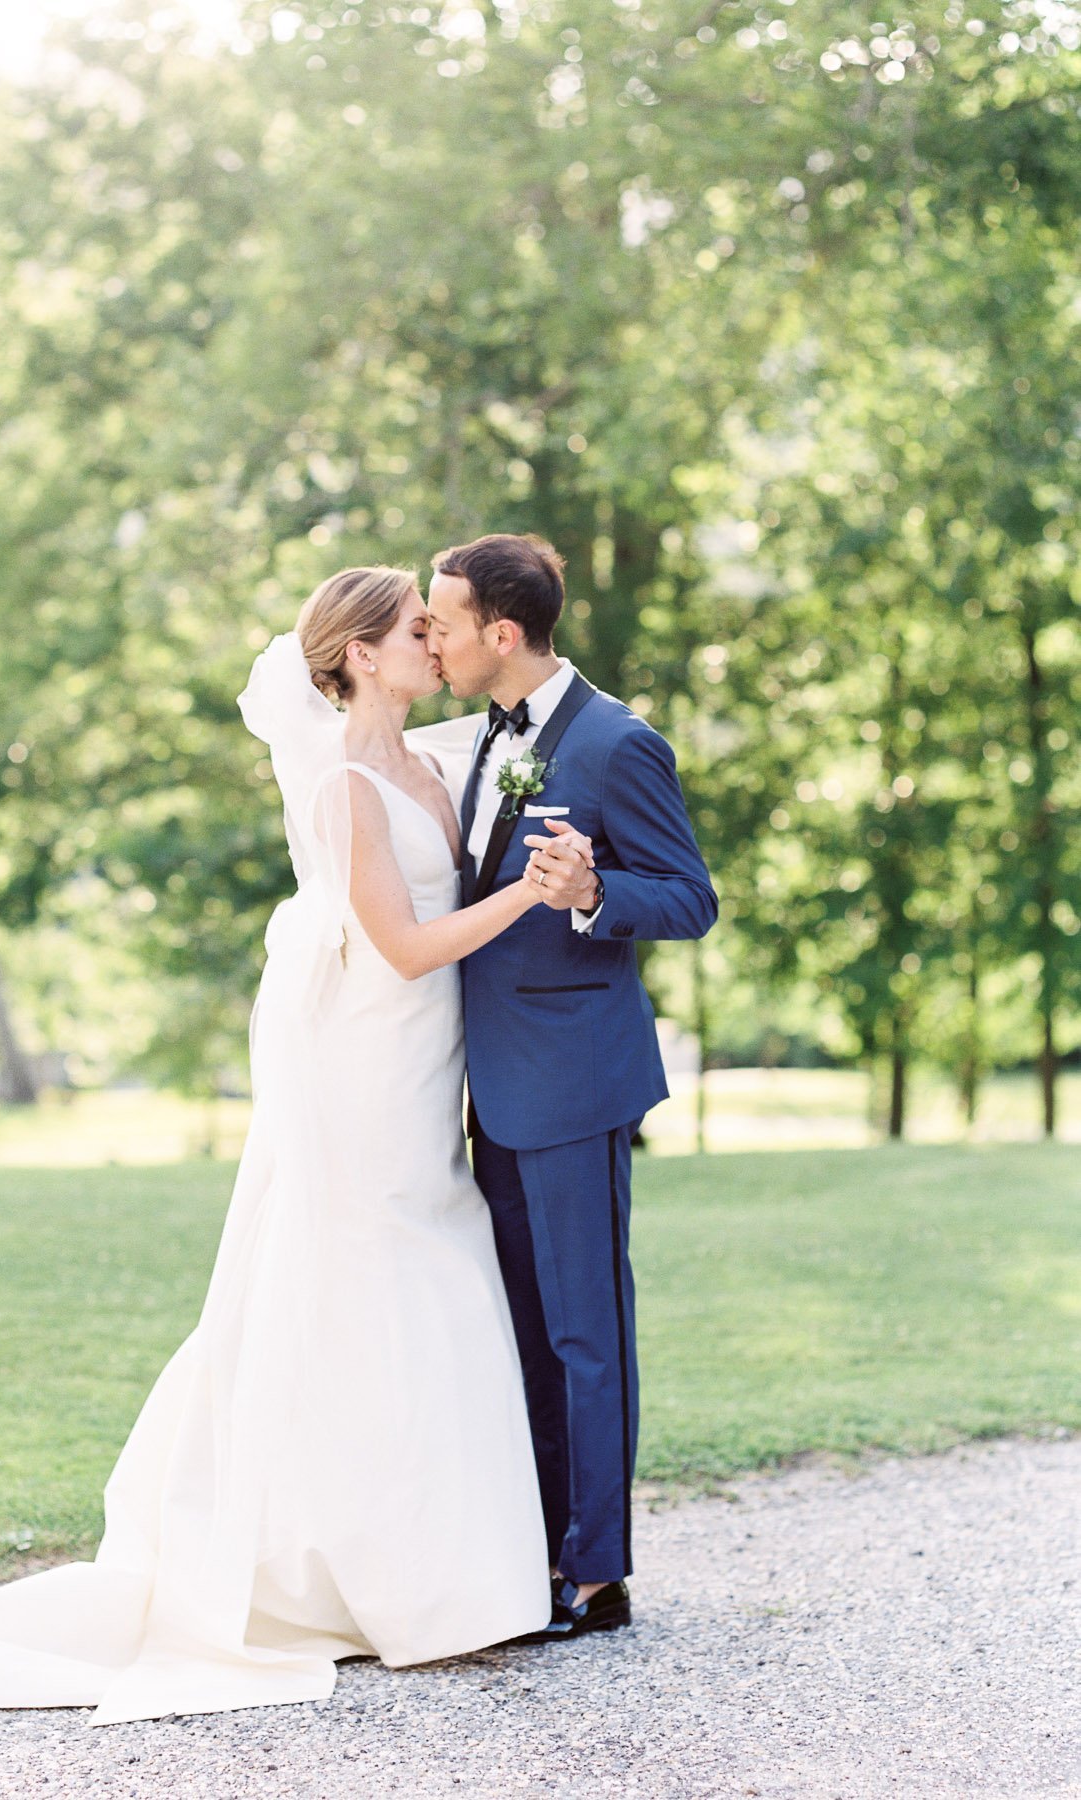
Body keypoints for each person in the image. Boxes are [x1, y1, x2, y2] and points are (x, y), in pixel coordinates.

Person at [0, 566, 583, 1726]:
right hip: (366, 1065)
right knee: (379, 1273)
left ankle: (438, 1578)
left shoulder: (428, 764)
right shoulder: (346, 785)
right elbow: (401, 946)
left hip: (423, 1062)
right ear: (357, 655)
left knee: (432, 1269)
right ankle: (358, 1582)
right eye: (415, 631)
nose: (434, 646)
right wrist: (532, 898)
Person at [424, 533, 718, 1641]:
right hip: (489, 1085)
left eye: (443, 623)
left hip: (575, 1082)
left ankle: (596, 1574)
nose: (431, 639)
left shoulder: (617, 742)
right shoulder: (482, 736)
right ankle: (536, 1548)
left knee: (586, 1333)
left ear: (502, 633)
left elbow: (689, 897)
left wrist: (596, 888)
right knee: (524, 1330)